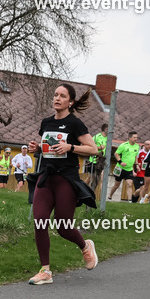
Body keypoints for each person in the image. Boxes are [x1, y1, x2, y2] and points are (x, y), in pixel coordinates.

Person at [25, 83, 99, 285]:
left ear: (71, 102)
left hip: (66, 179)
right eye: (55, 95)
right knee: (39, 221)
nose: (57, 98)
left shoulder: (75, 124)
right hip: (46, 177)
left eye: (62, 96)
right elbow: (50, 149)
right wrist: (38, 148)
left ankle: (85, 246)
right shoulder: (46, 123)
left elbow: (93, 149)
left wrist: (70, 147)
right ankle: (45, 271)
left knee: (63, 226)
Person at [107, 132, 140, 202]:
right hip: (120, 169)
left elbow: (135, 156)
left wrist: (136, 165)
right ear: (130, 138)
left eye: (136, 137)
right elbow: (116, 153)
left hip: (129, 169)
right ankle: (109, 197)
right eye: (134, 137)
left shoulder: (137, 146)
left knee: (129, 184)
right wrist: (120, 162)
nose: (136, 139)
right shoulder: (123, 145)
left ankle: (129, 201)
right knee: (116, 185)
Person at [85, 123, 108, 188]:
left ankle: (102, 197)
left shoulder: (108, 139)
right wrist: (99, 148)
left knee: (103, 178)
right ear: (106, 129)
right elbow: (89, 147)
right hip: (94, 160)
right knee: (90, 178)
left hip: (102, 161)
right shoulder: (96, 137)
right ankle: (82, 189)